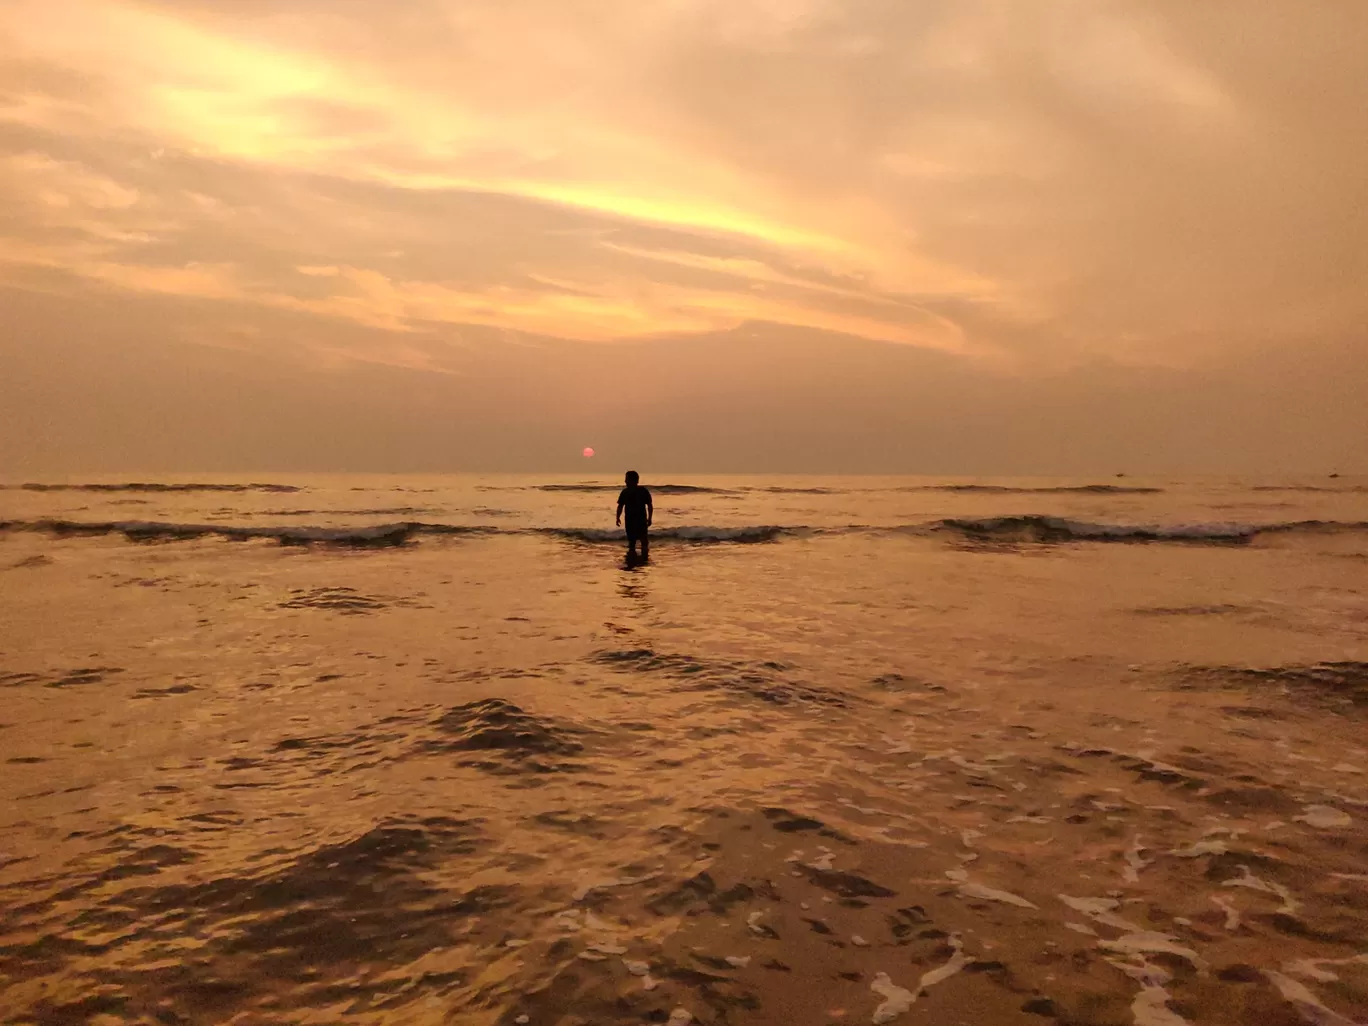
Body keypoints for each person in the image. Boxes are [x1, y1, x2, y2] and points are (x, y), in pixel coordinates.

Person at [615, 470, 653, 560]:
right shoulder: (625, 492)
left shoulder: (642, 491)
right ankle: (633, 559)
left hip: (640, 520)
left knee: (643, 542)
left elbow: (649, 505)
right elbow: (620, 506)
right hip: (630, 520)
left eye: (627, 479)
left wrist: (650, 518)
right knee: (632, 542)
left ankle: (643, 558)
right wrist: (617, 517)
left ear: (634, 480)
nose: (625, 481)